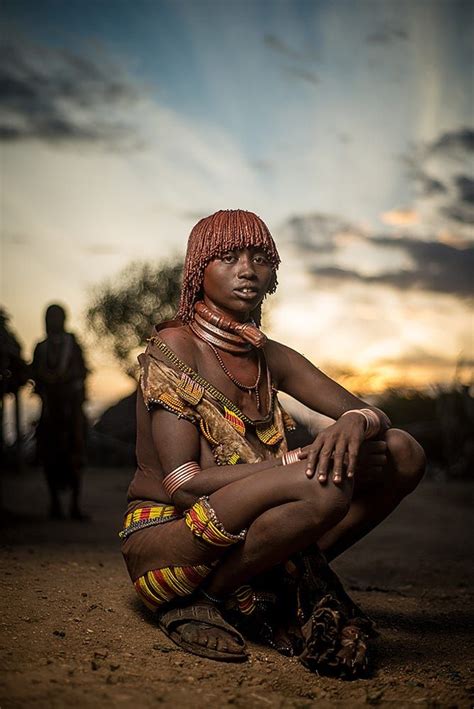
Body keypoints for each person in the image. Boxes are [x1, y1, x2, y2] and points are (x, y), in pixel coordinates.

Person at [121, 210, 425, 678]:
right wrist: (292, 460)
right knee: (320, 486)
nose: (248, 269)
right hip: (172, 540)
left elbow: (372, 413)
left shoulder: (271, 356)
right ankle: (209, 596)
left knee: (402, 450)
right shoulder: (175, 348)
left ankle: (262, 580)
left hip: (249, 528)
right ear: (199, 271)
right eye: (228, 257)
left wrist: (353, 423)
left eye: (261, 258)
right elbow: (184, 485)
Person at [31, 304, 88, 519]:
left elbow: (82, 370)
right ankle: (54, 503)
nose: (53, 321)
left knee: (77, 450)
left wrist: (72, 388)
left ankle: (75, 505)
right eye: (50, 317)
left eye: (57, 317)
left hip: (71, 408)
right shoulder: (41, 347)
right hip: (50, 408)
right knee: (48, 453)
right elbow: (35, 373)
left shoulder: (72, 345)